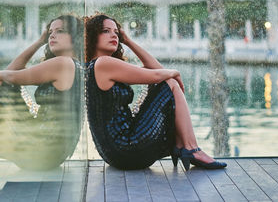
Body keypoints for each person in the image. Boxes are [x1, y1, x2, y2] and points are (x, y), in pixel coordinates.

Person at [84, 13, 227, 171]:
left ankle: (184, 145)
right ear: (92, 36)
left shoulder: (95, 67)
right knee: (171, 82)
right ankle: (191, 148)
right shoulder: (104, 63)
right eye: (105, 31)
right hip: (126, 147)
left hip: (115, 155)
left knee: (166, 81)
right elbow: (159, 74)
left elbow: (156, 70)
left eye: (116, 33)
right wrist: (175, 72)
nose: (113, 35)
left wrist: (128, 41)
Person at [0, 15, 83, 170]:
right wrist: (41, 41)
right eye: (50, 33)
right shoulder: (75, 65)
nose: (52, 35)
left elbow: (10, 74)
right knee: (1, 83)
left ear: (75, 37)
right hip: (54, 153)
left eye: (60, 31)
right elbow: (12, 72)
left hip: (41, 150)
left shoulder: (63, 63)